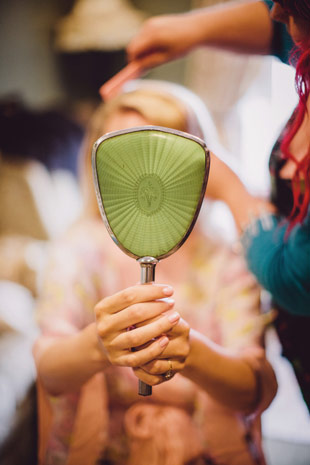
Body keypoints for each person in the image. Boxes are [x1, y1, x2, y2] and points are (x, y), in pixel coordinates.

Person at [33, 81, 277, 465]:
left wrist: (190, 351)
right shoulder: (77, 252)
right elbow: (50, 372)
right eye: (124, 154)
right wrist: (99, 346)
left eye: (160, 152)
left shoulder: (228, 260)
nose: (143, 173)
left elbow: (253, 387)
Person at [127, 0, 310, 409]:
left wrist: (230, 188)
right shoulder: (80, 255)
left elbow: (297, 277)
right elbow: (285, 32)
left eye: (294, 6)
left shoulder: (227, 266)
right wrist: (191, 30)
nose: (276, 12)